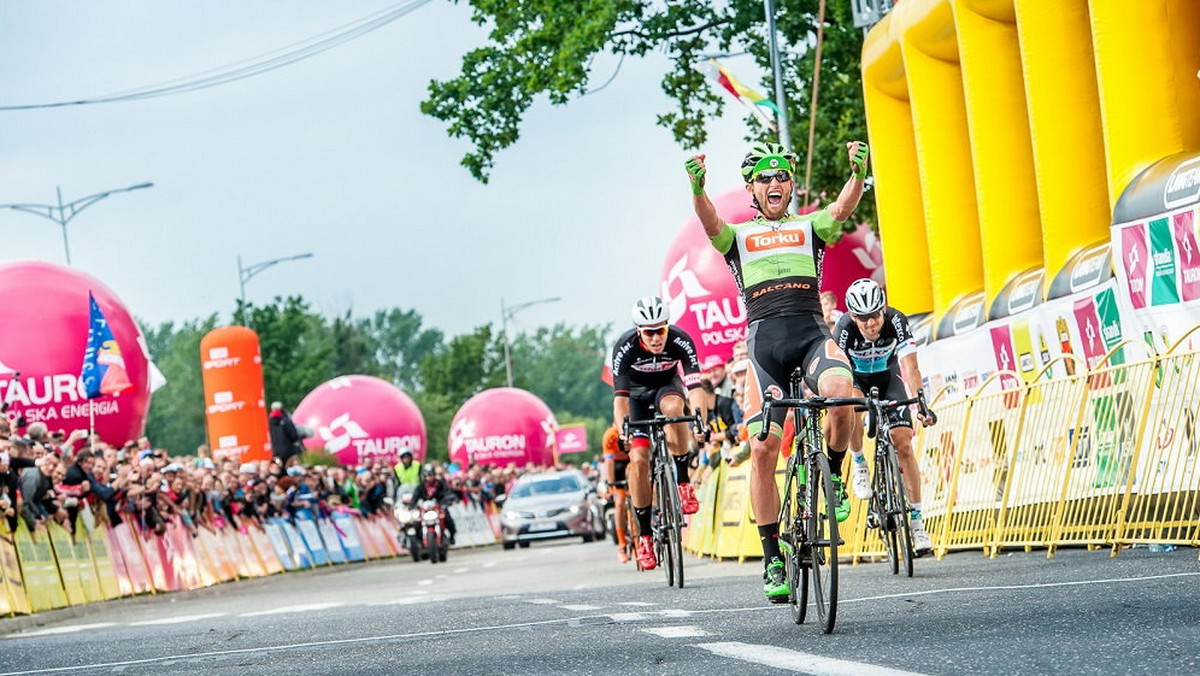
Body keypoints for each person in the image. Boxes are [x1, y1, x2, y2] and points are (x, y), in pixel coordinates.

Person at [685, 139, 869, 602]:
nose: (774, 184)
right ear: (752, 187)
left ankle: (833, 471)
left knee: (842, 391)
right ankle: (772, 558)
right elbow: (709, 223)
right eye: (764, 178)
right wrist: (697, 185)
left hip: (810, 334)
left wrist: (857, 173)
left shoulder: (809, 227)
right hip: (765, 346)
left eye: (781, 176)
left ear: (790, 185)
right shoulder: (739, 237)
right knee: (763, 448)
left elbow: (843, 209)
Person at [834, 277, 936, 555]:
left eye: (876, 315)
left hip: (888, 378)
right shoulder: (843, 329)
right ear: (853, 316)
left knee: (903, 443)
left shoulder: (896, 321)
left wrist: (921, 406)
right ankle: (860, 464)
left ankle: (917, 524)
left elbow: (910, 367)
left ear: (884, 308)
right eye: (864, 318)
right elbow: (839, 375)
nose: (871, 324)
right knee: (849, 406)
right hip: (857, 380)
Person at [610, 296, 708, 571]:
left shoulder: (680, 340)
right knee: (639, 460)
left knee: (676, 409)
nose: (656, 338)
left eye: (660, 330)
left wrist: (701, 422)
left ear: (667, 327)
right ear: (639, 331)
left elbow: (696, 388)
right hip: (635, 399)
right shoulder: (625, 346)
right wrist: (623, 431)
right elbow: (619, 401)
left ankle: (684, 483)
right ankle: (644, 536)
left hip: (668, 388)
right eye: (649, 332)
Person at [601, 426, 632, 563]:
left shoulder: (632, 429)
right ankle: (622, 543)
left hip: (631, 468)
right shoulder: (610, 434)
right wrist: (611, 485)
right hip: (616, 471)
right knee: (619, 503)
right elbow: (609, 462)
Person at [408, 466, 456, 543]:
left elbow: (448, 493)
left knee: (448, 519)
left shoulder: (440, 484)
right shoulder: (421, 486)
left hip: (439, 507)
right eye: (427, 475)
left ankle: (452, 536)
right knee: (416, 522)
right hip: (425, 510)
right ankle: (418, 540)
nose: (429, 477)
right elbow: (415, 497)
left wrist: (446, 501)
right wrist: (412, 504)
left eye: (431, 475)